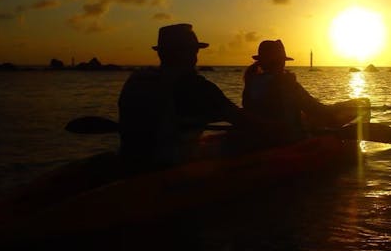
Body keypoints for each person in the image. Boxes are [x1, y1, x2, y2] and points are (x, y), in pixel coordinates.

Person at [118, 23, 276, 168]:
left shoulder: (137, 81)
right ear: (188, 53)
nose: (195, 57)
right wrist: (273, 128)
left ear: (161, 53)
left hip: (131, 161)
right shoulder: (197, 87)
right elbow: (240, 118)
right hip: (169, 164)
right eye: (193, 51)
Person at [243, 40, 355, 141]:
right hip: (285, 140)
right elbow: (314, 108)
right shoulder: (287, 83)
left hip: (257, 138)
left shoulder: (251, 81)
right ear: (281, 62)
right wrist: (337, 109)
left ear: (261, 62)